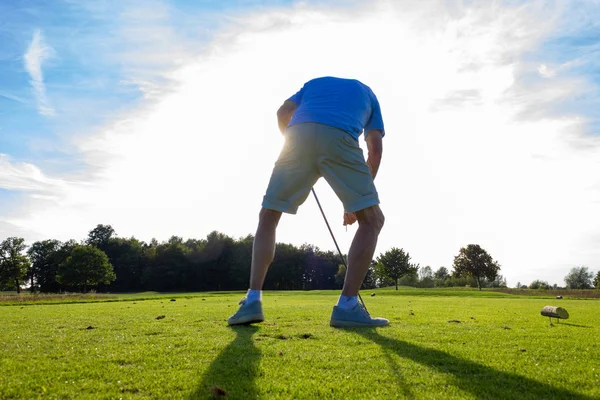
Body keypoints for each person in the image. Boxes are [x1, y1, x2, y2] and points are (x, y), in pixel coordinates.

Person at [228, 76, 388, 327]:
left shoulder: (313, 84)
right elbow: (375, 150)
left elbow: (283, 112)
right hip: (340, 138)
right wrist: (359, 203)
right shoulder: (369, 95)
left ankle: (252, 301)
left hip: (297, 137)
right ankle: (347, 306)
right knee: (373, 220)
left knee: (268, 216)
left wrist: (293, 140)